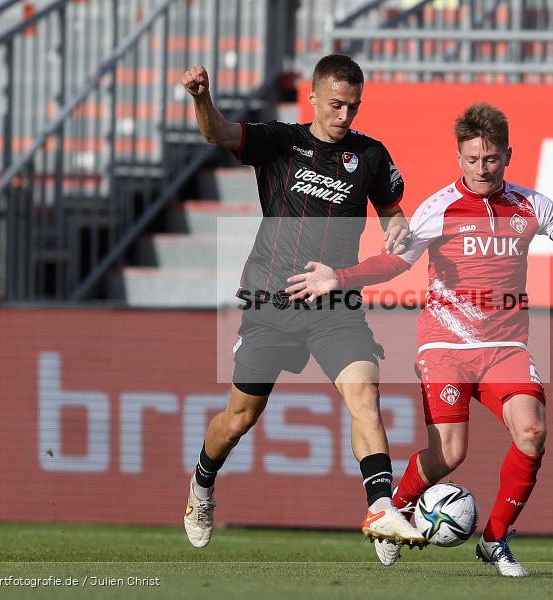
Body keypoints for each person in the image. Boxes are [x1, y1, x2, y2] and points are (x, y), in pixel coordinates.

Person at [285, 102, 553, 576]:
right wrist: (338, 278)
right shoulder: (438, 207)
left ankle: (495, 540)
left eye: (490, 159)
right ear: (458, 158)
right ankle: (395, 513)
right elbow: (395, 264)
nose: (481, 169)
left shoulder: (532, 205)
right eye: (471, 160)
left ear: (508, 155)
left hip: (506, 348)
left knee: (533, 432)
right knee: (449, 453)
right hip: (445, 346)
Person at [180, 54, 424, 550]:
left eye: (354, 107)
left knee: (365, 395)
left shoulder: (371, 156)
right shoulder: (280, 142)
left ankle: (381, 510)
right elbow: (218, 134)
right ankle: (202, 483)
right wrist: (202, 99)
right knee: (239, 419)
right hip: (271, 302)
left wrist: (397, 226)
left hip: (334, 303)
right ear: (311, 96)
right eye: (336, 104)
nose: (345, 116)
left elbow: (393, 213)